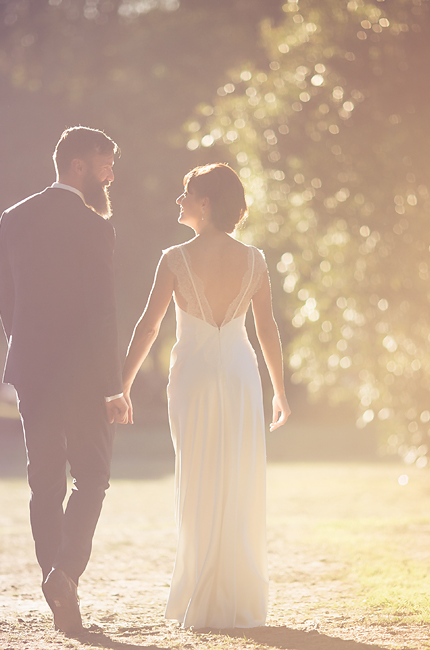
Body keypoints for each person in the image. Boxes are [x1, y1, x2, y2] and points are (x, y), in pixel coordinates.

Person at [120, 163, 291, 629]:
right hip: (238, 375)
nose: (178, 200)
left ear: (205, 203)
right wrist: (279, 391)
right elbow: (267, 331)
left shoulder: (174, 258)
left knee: (197, 477)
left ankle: (201, 592)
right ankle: (235, 598)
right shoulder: (254, 260)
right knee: (237, 477)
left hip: (194, 375)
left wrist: (123, 385)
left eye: (186, 192)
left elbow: (149, 326)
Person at [0, 126, 129, 634]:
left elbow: (7, 304)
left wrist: (30, 353)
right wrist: (112, 385)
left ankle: (59, 597)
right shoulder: (95, 227)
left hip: (31, 371)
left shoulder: (13, 218)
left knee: (44, 482)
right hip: (83, 378)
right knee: (92, 476)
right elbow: (103, 312)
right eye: (105, 163)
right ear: (78, 164)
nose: (110, 174)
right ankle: (65, 573)